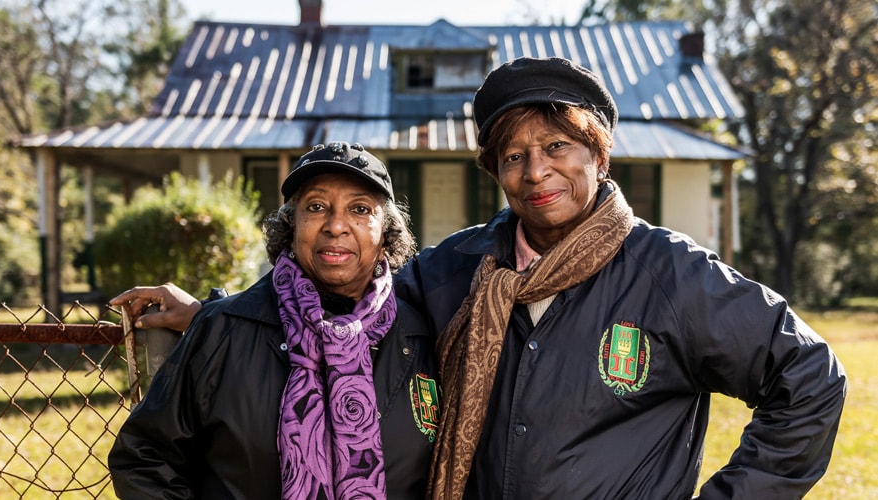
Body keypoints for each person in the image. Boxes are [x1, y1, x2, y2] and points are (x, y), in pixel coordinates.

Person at [112, 57, 847, 499]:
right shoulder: (460, 268)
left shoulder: (670, 275)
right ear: (493, 169)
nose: (535, 170)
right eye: (512, 154)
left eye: (556, 144)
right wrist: (212, 313)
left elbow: (809, 379)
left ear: (598, 154)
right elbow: (340, 295)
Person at [108, 142, 441, 499]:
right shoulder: (223, 329)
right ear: (290, 227)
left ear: (386, 235)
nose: (336, 225)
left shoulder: (421, 336)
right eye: (316, 207)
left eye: (360, 209)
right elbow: (145, 458)